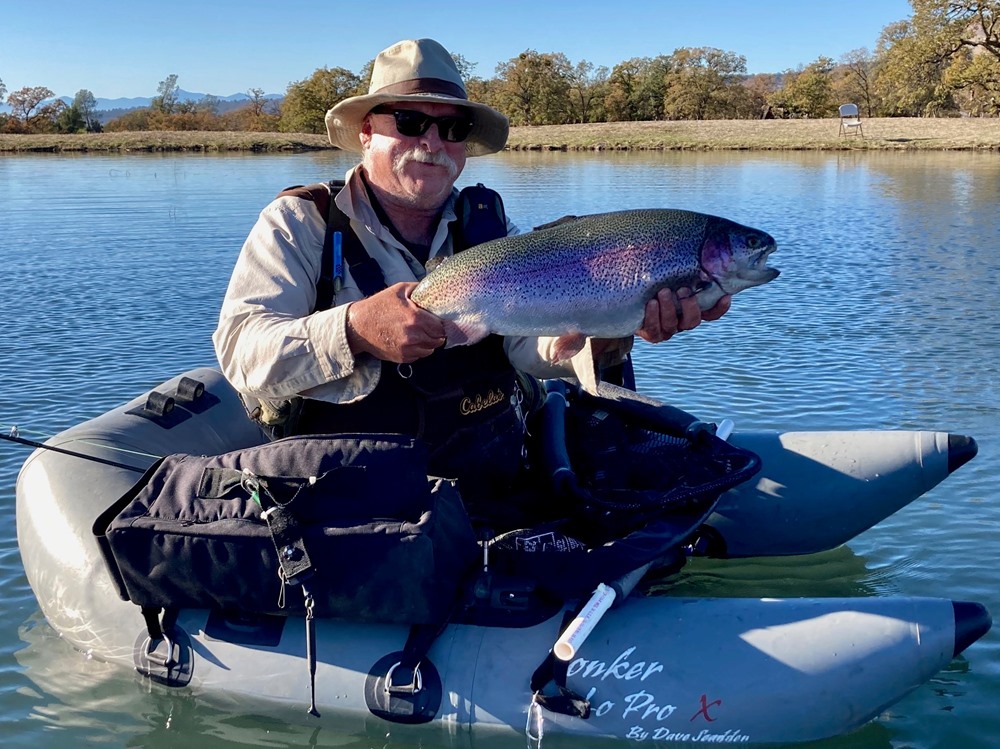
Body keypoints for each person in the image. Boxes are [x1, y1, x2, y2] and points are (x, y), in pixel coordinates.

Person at [213, 38, 730, 517]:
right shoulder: (302, 222)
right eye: (411, 122)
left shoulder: (491, 227)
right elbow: (241, 354)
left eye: (454, 128)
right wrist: (354, 329)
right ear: (367, 132)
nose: (433, 141)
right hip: (346, 505)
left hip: (484, 490)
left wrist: (614, 324)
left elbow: (528, 350)